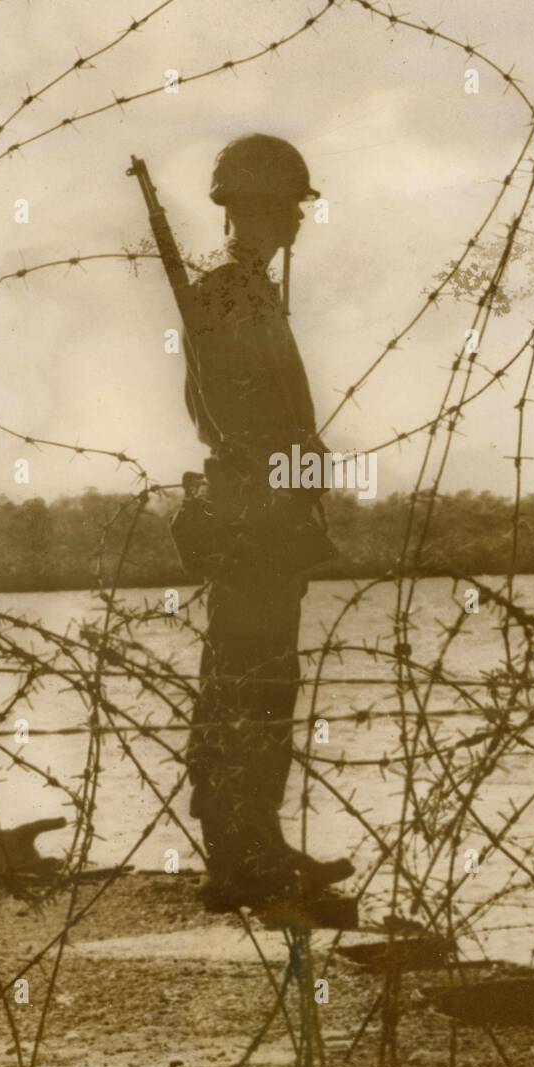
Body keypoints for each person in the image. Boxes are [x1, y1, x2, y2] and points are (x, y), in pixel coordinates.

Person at [179, 133, 354, 912]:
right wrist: (292, 472)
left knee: (262, 682)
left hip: (264, 511)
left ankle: (258, 845)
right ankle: (240, 856)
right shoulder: (232, 292)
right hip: (252, 516)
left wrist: (303, 470)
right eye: (288, 207)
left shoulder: (246, 291)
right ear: (258, 210)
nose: (297, 221)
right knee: (244, 683)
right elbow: (226, 415)